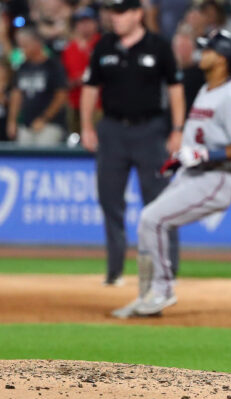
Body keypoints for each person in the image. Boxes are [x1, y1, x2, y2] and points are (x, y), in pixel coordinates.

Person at [112, 30, 231, 318]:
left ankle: (162, 292)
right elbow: (200, 140)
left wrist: (204, 155)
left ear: (223, 59)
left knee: (153, 220)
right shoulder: (206, 89)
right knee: (147, 221)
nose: (203, 53)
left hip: (216, 178)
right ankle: (147, 295)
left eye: (209, 50)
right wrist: (181, 160)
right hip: (195, 174)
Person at [80, 0, 184, 286]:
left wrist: (177, 129)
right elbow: (90, 88)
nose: (116, 17)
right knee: (110, 201)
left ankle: (167, 270)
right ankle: (114, 272)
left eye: (122, 11)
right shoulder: (103, 46)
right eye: (113, 12)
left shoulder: (158, 46)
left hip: (150, 130)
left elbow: (175, 88)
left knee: (160, 202)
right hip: (113, 130)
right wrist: (86, 126)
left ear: (138, 13)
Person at [7, 27, 68, 147]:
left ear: (37, 44)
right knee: (23, 160)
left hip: (51, 124)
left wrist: (44, 118)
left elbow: (61, 96)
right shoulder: (22, 67)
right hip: (26, 124)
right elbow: (16, 95)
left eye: (25, 45)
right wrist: (12, 121)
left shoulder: (53, 66)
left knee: (44, 157)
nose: (22, 50)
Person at [61, 6, 101, 134]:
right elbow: (63, 76)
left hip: (98, 103)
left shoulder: (103, 44)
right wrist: (71, 81)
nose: (84, 25)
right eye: (80, 22)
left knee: (96, 138)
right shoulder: (69, 48)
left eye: (88, 21)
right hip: (74, 102)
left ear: (95, 23)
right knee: (75, 140)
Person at [172, 30, 206, 115]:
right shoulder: (168, 71)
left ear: (193, 49)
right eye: (179, 47)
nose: (182, 52)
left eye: (185, 48)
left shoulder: (201, 74)